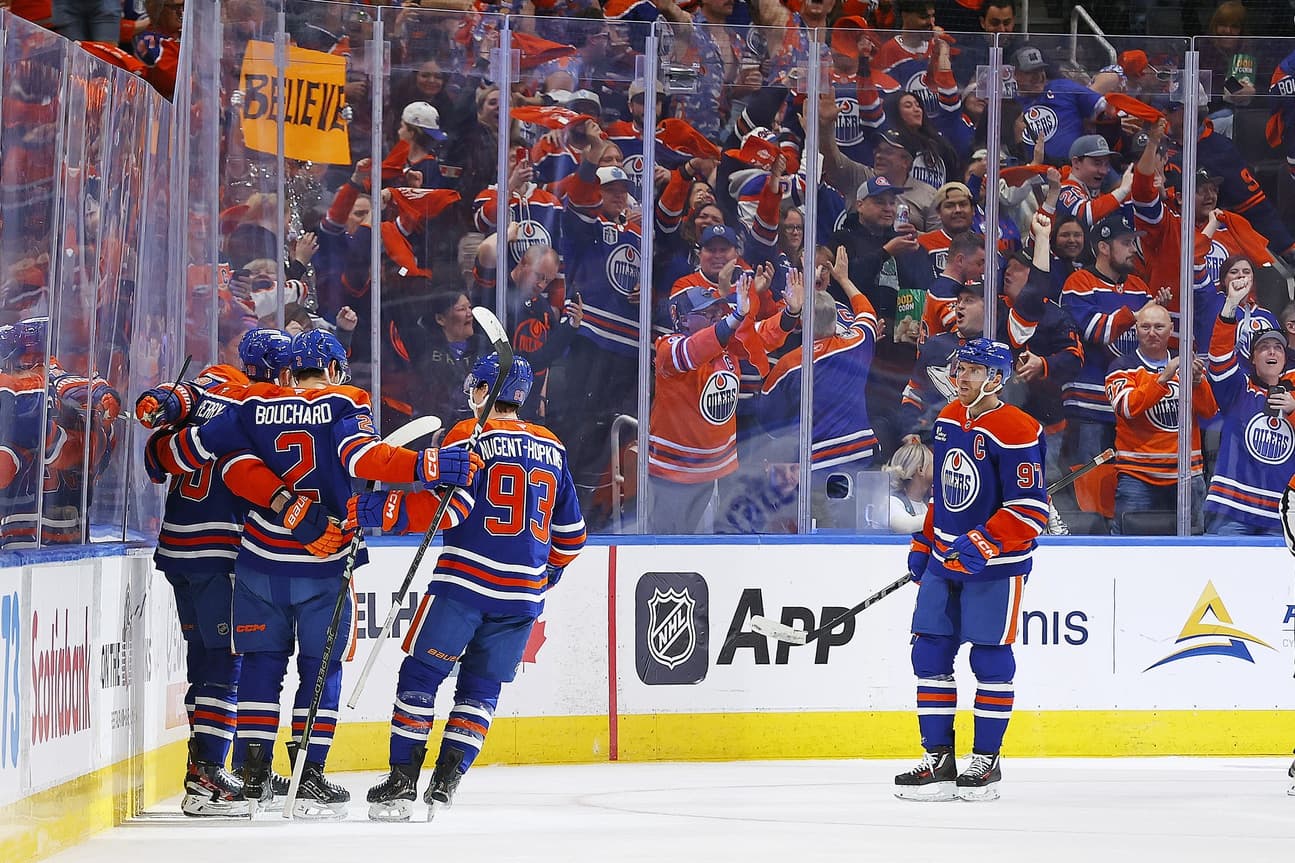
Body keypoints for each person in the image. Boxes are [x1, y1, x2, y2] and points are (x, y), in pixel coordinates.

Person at [144, 331, 482, 819]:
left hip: (260, 560)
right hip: (325, 563)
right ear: (337, 369)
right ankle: (308, 778)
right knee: (320, 673)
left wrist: (161, 454)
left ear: (289, 371)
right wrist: (429, 464)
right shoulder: (346, 400)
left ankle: (255, 775)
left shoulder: (255, 402)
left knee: (261, 669)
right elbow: (363, 459)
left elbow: (228, 466)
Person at [350, 355, 585, 822]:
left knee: (420, 677)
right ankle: (445, 784)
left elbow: (450, 511)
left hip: (464, 585)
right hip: (521, 598)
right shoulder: (553, 447)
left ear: (480, 389)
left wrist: (380, 510)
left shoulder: (469, 434)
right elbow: (573, 535)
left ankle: (401, 783)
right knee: (480, 690)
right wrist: (544, 575)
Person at [134, 328, 294, 816]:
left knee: (203, 658)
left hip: (177, 550)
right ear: (283, 370)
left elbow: (170, 404)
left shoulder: (213, 381)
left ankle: (202, 769)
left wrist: (157, 404)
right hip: (219, 551)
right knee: (226, 663)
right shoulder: (268, 405)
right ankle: (207, 778)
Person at [898, 338, 1048, 802]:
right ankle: (939, 760)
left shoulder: (1019, 429)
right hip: (945, 559)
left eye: (970, 370)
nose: (958, 377)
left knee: (989, 660)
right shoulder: (946, 420)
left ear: (996, 378)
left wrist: (986, 539)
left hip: (995, 567)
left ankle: (986, 760)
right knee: (929, 654)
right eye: (958, 368)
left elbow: (1031, 510)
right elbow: (944, 495)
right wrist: (926, 539)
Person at [648, 270, 798, 534]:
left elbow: (762, 336)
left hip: (721, 468)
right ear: (682, 320)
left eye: (719, 309)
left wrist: (791, 314)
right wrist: (734, 317)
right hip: (676, 474)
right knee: (670, 551)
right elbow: (694, 351)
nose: (718, 315)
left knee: (723, 543)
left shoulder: (726, 344)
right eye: (709, 313)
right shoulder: (667, 348)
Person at [1104, 303, 1217, 535]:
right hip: (1138, 477)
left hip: (1186, 476)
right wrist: (1164, 376)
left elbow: (1208, 411)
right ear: (1135, 330)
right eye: (1145, 327)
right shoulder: (1122, 367)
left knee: (1192, 551)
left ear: (1171, 329)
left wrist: (1197, 382)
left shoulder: (1185, 362)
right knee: (1127, 549)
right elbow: (1126, 407)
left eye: (1158, 326)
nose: (1152, 332)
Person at [1203, 278, 1295, 535]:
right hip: (1232, 509)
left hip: (1280, 513)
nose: (1271, 352)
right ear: (1253, 359)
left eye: (1278, 347)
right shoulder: (1238, 390)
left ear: (1285, 359)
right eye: (1264, 348)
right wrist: (1230, 306)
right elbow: (1219, 358)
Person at [883, 440, 933, 534]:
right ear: (920, 469)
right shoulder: (890, 502)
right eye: (933, 463)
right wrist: (943, 515)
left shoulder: (924, 504)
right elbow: (906, 526)